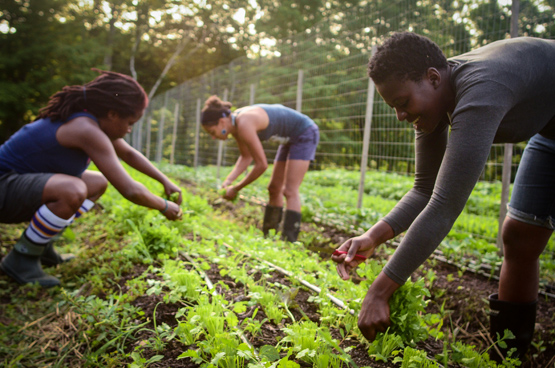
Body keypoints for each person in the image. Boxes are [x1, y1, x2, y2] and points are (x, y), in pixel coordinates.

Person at [332, 32, 555, 361]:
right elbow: (424, 190)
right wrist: (372, 237)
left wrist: (380, 291)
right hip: (550, 134)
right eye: (394, 107)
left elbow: (445, 205)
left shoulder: (480, 89)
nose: (401, 116)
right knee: (520, 236)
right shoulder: (434, 103)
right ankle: (507, 358)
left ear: (433, 78)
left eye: (403, 103)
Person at [0, 69, 183, 288]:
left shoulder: (93, 121)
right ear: (113, 114)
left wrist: (165, 181)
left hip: (15, 185)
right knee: (73, 189)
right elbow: (130, 189)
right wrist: (164, 206)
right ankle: (22, 258)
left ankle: (41, 243)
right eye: (130, 122)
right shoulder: (84, 128)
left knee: (96, 184)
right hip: (4, 186)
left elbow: (129, 154)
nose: (129, 129)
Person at [201, 96, 319, 242]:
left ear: (221, 121)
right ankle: (269, 237)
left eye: (213, 132)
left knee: (290, 190)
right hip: (288, 138)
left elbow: (261, 165)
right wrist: (229, 181)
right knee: (274, 188)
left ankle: (289, 241)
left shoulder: (244, 123)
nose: (214, 137)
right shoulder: (235, 125)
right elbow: (246, 157)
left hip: (304, 132)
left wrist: (236, 188)